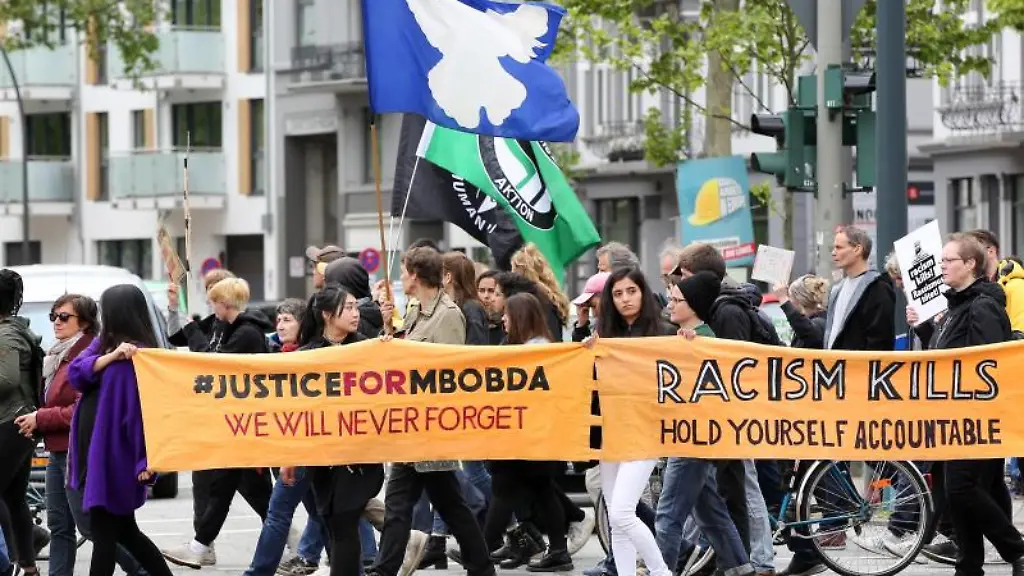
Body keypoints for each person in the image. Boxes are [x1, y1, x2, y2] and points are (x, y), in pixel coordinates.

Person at [371, 247, 494, 576]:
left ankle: (480, 567)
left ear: (414, 275)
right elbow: (403, 352)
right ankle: (480, 567)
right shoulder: (414, 309)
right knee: (424, 506)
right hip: (412, 426)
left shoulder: (449, 315)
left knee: (441, 506)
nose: (399, 276)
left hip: (431, 428)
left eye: (403, 271)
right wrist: (389, 331)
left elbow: (449, 374)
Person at [929, 233, 1024, 576]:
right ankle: (968, 566)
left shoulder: (981, 306)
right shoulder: (956, 307)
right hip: (953, 416)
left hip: (975, 417)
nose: (942, 267)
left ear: (970, 264)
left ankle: (1017, 549)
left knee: (962, 488)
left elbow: (988, 365)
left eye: (948, 261)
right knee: (958, 494)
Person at [163, 278, 275, 569]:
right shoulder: (223, 325)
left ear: (225, 304)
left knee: (243, 492)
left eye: (213, 302)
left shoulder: (247, 333)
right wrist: (176, 310)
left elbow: (213, 364)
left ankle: (201, 546)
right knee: (233, 490)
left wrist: (191, 329)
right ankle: (201, 546)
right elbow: (182, 340)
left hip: (245, 422)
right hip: (231, 422)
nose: (210, 307)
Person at [66, 284, 174, 576]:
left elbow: (139, 416)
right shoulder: (106, 345)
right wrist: (111, 356)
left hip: (114, 457)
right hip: (99, 454)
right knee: (126, 532)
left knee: (105, 535)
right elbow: (76, 373)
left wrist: (145, 460)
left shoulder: (137, 359)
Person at [280, 285, 386, 576]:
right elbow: (295, 411)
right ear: (327, 314)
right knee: (329, 517)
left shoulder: (368, 348)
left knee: (343, 520)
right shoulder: (307, 356)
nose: (356, 313)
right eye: (348, 307)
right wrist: (290, 457)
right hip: (323, 458)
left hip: (361, 456)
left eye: (356, 307)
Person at [659, 272, 755, 576]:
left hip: (691, 438)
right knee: (710, 511)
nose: (670, 305)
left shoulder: (705, 340)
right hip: (692, 437)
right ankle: (742, 568)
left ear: (695, 305)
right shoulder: (688, 337)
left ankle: (661, 570)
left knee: (667, 517)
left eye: (677, 300)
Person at [588, 267, 675, 576]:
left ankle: (661, 572)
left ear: (643, 292)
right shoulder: (604, 336)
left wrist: (689, 340)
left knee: (624, 512)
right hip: (610, 433)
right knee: (615, 517)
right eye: (618, 293)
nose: (625, 299)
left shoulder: (664, 332)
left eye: (631, 291)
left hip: (645, 432)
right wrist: (586, 352)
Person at [478, 292, 573, 572]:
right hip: (525, 433)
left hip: (531, 433)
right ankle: (557, 551)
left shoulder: (538, 349)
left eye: (507, 314)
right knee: (540, 491)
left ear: (519, 317)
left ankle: (481, 551)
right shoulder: (521, 346)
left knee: (504, 488)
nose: (503, 319)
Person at [13, 294, 98, 576]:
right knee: (60, 527)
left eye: (64, 317)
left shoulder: (86, 357)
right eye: (54, 316)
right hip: (58, 451)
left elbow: (80, 411)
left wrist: (40, 418)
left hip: (79, 451)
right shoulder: (57, 354)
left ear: (85, 322)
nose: (56, 322)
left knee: (91, 527)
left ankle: (142, 569)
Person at [244, 300, 328, 576]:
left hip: (302, 449)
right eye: (278, 320)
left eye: (288, 319)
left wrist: (289, 453)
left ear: (304, 324)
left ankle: (258, 573)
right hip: (296, 448)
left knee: (278, 513)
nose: (280, 325)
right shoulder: (279, 354)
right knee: (322, 513)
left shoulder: (306, 357)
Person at [0, 269, 43, 576]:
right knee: (14, 498)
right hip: (20, 423)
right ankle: (27, 566)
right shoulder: (13, 329)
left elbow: (7, 378)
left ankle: (9, 563)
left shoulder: (7, 334)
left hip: (10, 422)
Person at [773, 275, 828, 350]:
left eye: (790, 296)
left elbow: (804, 328)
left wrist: (783, 298)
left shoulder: (819, 323)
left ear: (799, 299)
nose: (789, 300)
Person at [476, 271, 505, 345]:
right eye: (482, 291)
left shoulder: (508, 327)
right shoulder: (473, 323)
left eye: (491, 291)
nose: (486, 296)